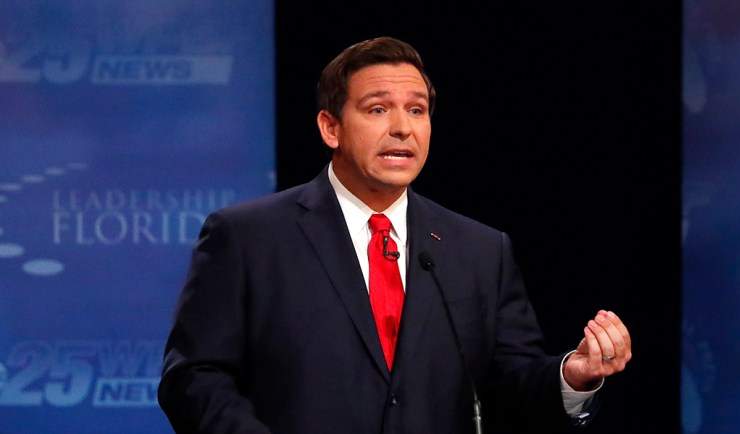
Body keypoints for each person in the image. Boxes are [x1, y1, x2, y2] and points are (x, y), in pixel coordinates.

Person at [158, 36, 632, 434]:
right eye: (378, 109)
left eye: (417, 110)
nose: (403, 128)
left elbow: (512, 384)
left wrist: (574, 375)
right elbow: (194, 378)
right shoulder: (248, 237)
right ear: (331, 127)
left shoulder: (481, 250)